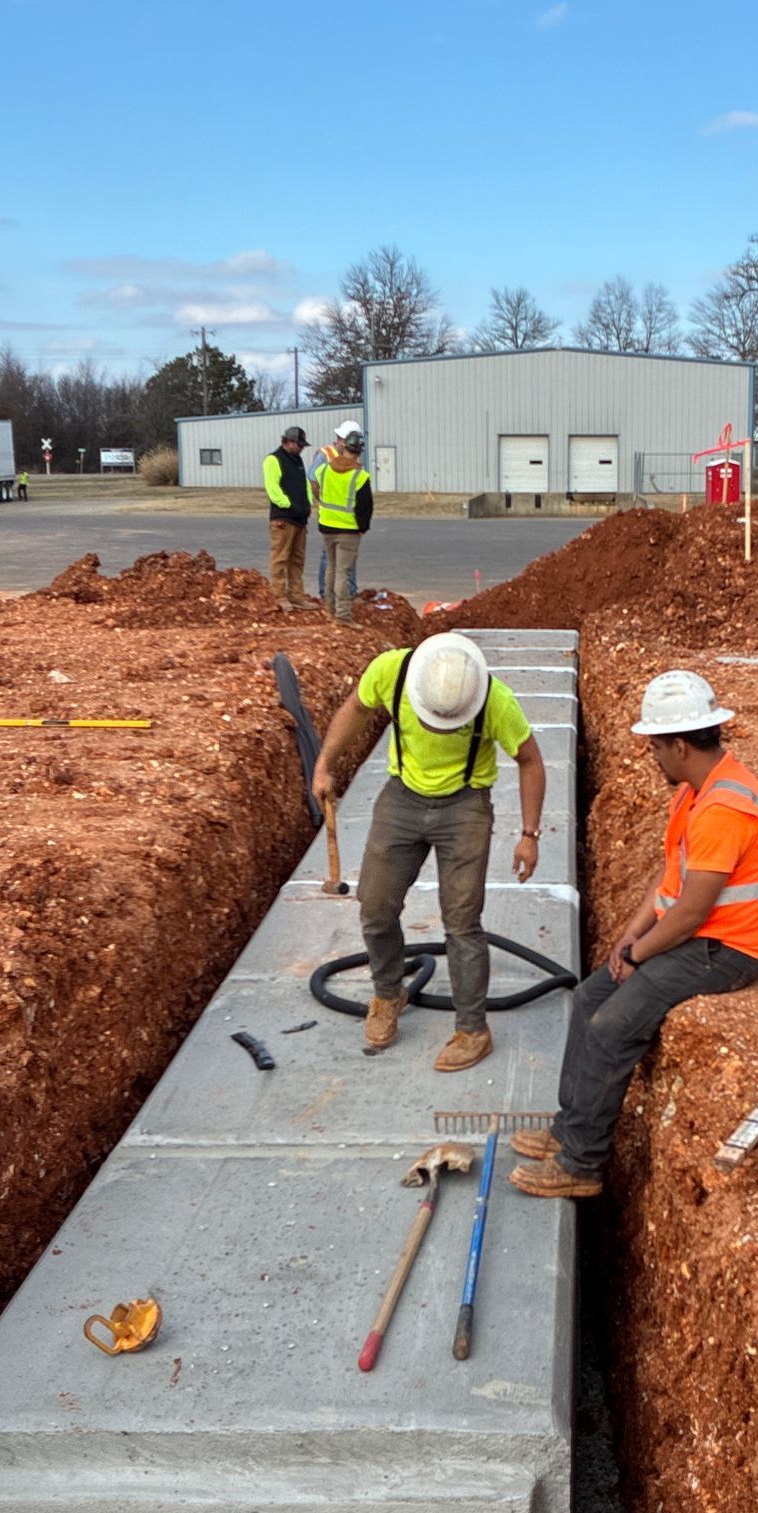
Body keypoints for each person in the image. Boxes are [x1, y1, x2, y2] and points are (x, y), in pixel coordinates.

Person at [511, 671, 758, 1199]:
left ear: (680, 745)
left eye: (656, 746)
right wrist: (628, 937)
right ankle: (568, 1130)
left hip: (729, 950)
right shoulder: (695, 792)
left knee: (614, 1025)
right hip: (702, 936)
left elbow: (689, 913)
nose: (652, 756)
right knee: (591, 995)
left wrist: (638, 954)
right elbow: (670, 882)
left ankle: (582, 1164)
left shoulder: (725, 809)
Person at [311, 632, 546, 1072]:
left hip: (466, 805)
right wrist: (325, 764)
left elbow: (530, 759)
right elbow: (357, 709)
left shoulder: (495, 700)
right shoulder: (392, 672)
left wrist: (529, 834)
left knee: (461, 921)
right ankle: (388, 992)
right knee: (375, 906)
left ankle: (473, 1029)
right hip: (402, 797)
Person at [313, 422, 372, 622]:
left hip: (326, 526)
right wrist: (363, 527)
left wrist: (320, 504)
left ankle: (330, 608)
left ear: (344, 447)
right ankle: (343, 615)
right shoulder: (360, 476)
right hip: (348, 530)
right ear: (359, 452)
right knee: (343, 572)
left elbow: (315, 483)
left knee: (331, 567)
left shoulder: (326, 470)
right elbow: (365, 507)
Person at [262, 424, 312, 603]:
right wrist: (289, 505)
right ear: (288, 442)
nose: (301, 449)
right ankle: (279, 595)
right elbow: (273, 488)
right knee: (280, 558)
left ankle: (296, 595)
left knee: (297, 559)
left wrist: (307, 505)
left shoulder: (297, 461)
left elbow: (304, 484)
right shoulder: (273, 460)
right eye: (299, 445)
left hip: (300, 519)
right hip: (283, 518)